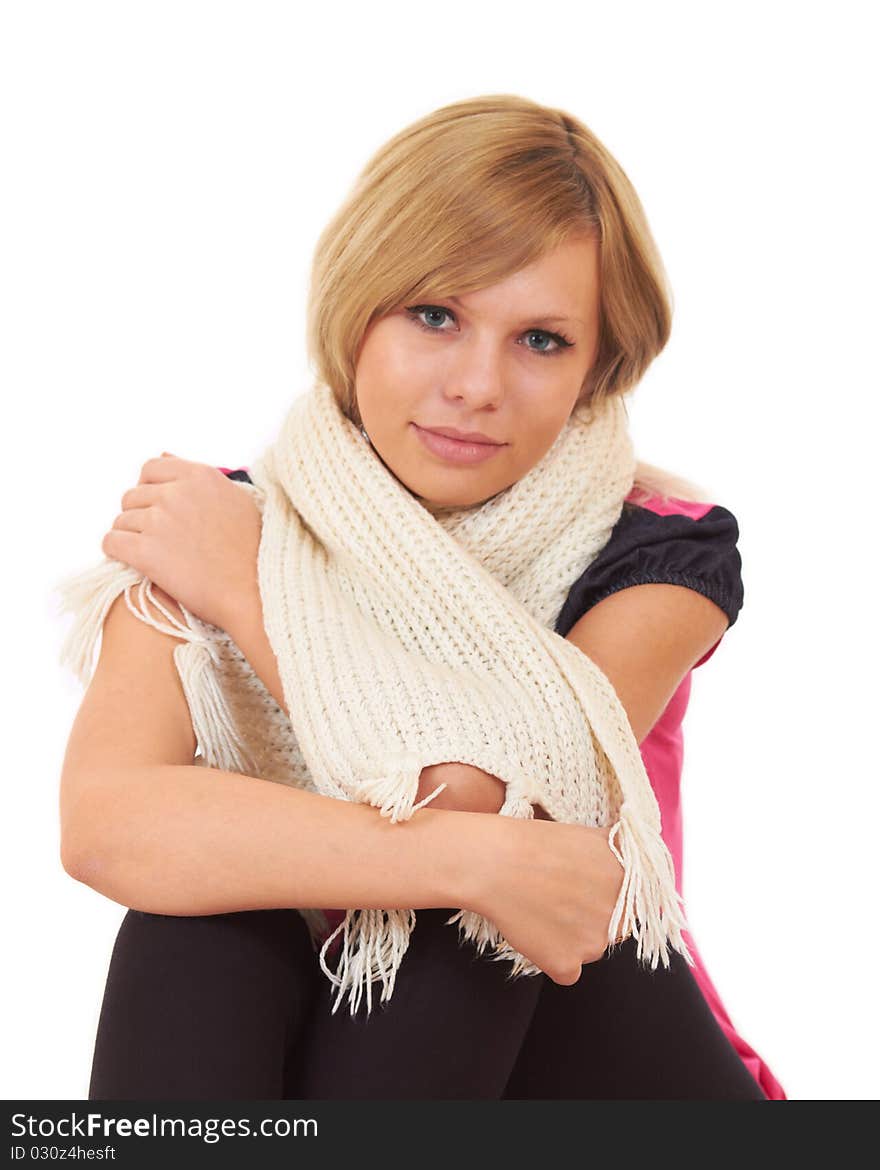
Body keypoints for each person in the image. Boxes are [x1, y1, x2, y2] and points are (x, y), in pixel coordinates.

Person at [56, 93, 785, 1100]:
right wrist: (469, 862)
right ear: (357, 310)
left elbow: (501, 792)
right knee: (201, 929)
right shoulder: (219, 521)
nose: (478, 384)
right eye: (435, 316)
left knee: (481, 920)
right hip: (324, 1061)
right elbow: (107, 825)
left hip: (600, 1055)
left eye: (541, 341)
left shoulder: (659, 551)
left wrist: (253, 594)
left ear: (596, 369)